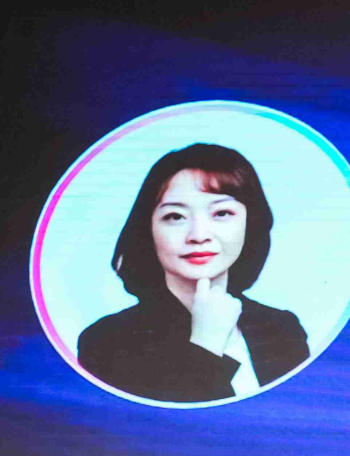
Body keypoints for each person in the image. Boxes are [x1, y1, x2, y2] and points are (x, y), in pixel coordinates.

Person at [76, 143, 311, 403]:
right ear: (148, 230)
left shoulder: (282, 329)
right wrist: (206, 343)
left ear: (250, 223)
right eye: (175, 217)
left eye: (222, 213)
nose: (198, 235)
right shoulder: (107, 342)